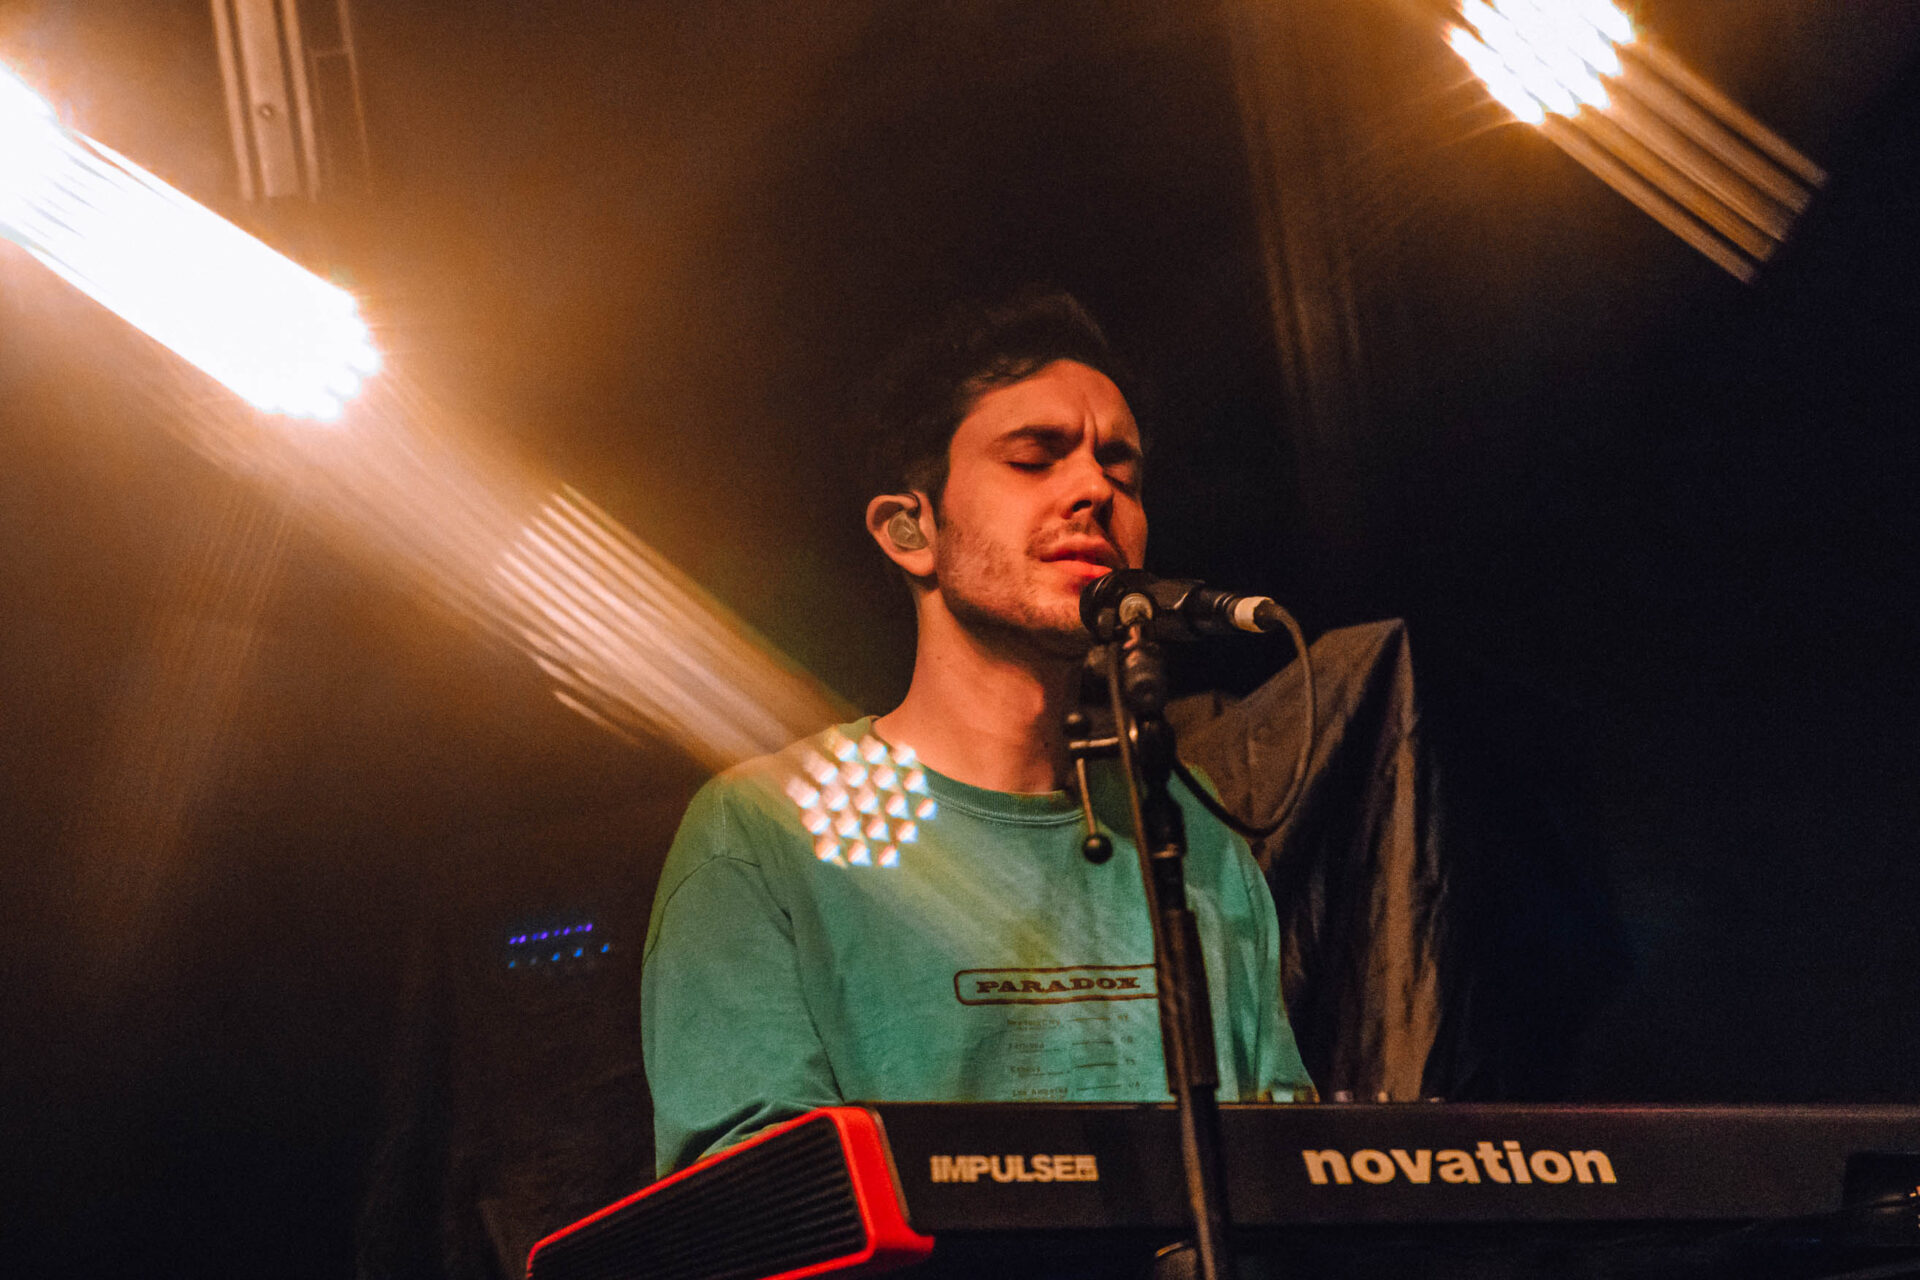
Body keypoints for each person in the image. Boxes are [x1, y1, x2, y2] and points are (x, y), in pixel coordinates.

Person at [640, 292, 1313, 1176]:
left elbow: (1283, 1160)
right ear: (909, 530)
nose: (1094, 491)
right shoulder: (763, 830)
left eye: (1122, 471)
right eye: (1034, 458)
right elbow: (763, 1203)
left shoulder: (1191, 827)